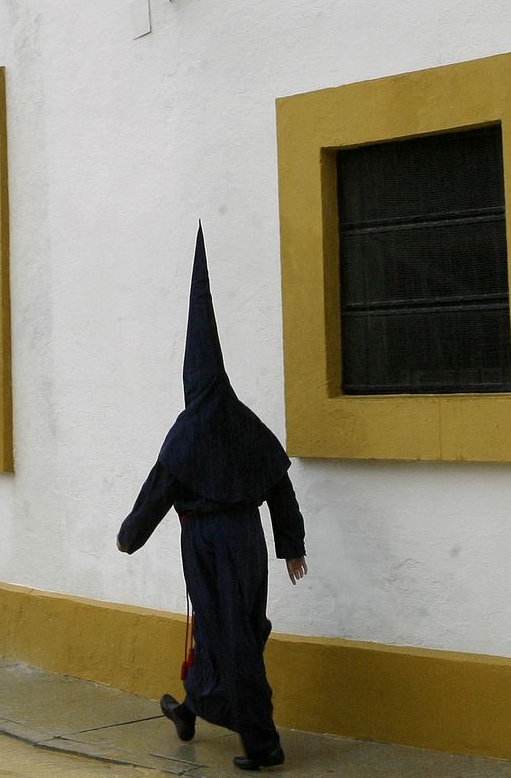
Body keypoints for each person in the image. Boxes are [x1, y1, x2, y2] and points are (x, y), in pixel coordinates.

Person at [117, 227, 307, 772]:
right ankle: (191, 707)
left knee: (231, 636)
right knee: (231, 629)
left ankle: (262, 743)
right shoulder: (246, 422)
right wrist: (290, 546)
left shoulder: (186, 432)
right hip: (247, 539)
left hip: (206, 543)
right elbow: (279, 485)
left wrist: (129, 537)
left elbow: (157, 491)